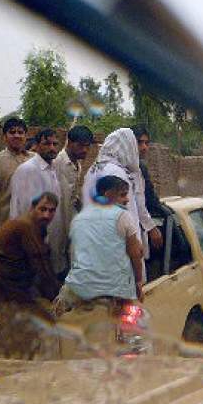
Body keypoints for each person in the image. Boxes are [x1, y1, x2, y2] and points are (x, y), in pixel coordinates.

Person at [54, 176, 143, 315]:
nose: (127, 199)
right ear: (108, 195)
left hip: (75, 288)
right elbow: (135, 254)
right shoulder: (123, 216)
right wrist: (138, 282)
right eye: (123, 195)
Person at [0, 191, 60, 303]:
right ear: (33, 208)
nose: (46, 215)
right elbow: (41, 263)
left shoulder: (37, 226)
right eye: (42, 209)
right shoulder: (26, 225)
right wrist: (56, 296)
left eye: (51, 211)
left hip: (6, 274)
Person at [50, 125, 94, 276]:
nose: (85, 150)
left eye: (87, 146)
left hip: (69, 222)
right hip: (55, 223)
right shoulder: (56, 163)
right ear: (69, 142)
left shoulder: (78, 165)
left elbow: (73, 196)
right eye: (80, 146)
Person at [0, 117, 33, 234]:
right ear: (4, 137)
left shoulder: (35, 160)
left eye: (20, 132)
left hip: (29, 224)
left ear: (26, 136)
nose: (17, 135)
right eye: (12, 132)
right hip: (1, 224)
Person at [9, 128, 60, 222]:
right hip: (29, 231)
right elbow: (26, 207)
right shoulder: (28, 169)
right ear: (36, 146)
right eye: (47, 144)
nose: (52, 148)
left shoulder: (53, 168)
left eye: (55, 144)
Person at [130, 125, 163, 257]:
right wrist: (151, 227)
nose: (144, 147)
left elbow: (149, 198)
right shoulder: (126, 168)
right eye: (140, 142)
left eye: (146, 143)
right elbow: (142, 202)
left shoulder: (139, 167)